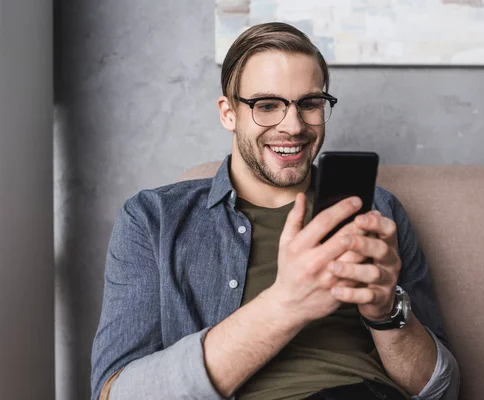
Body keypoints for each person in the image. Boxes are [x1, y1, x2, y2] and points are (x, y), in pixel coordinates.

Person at [91, 22, 459, 400]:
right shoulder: (153, 218)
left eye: (310, 104)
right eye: (267, 105)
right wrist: (286, 303)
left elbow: (441, 390)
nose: (294, 126)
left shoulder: (378, 209)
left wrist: (387, 312)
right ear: (228, 113)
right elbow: (115, 393)